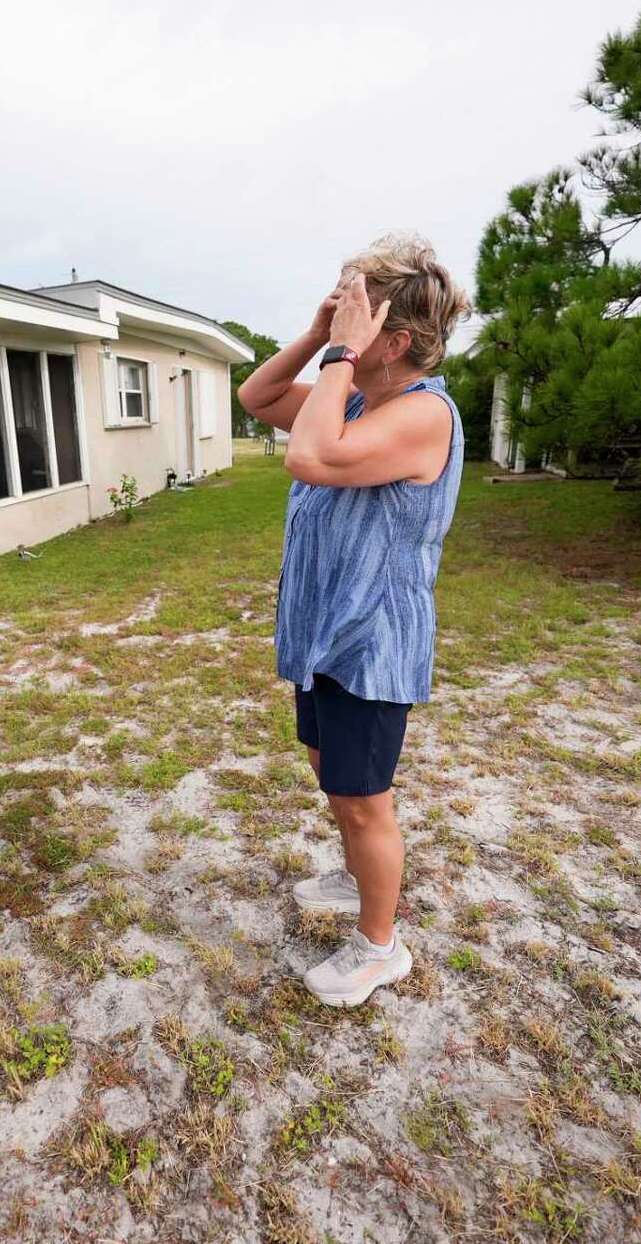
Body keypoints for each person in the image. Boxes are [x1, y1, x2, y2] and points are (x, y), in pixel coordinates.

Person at [236, 233, 472, 1007]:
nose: (344, 326)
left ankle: (380, 947)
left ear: (393, 341)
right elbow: (259, 401)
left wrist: (338, 357)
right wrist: (315, 336)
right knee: (325, 764)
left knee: (365, 797)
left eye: (357, 316)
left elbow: (310, 457)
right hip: (324, 629)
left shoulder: (423, 416)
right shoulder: (360, 398)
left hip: (372, 640)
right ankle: (355, 872)